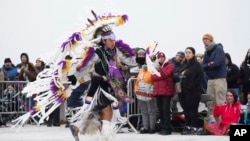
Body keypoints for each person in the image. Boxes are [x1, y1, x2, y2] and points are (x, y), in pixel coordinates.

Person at [69, 24, 137, 141]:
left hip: (109, 85)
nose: (113, 42)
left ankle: (78, 126)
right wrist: (75, 76)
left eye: (114, 40)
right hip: (99, 85)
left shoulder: (115, 51)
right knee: (107, 112)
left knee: (98, 112)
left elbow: (128, 60)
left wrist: (140, 59)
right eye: (110, 40)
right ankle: (104, 137)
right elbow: (87, 65)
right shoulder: (98, 53)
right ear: (104, 41)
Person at [178, 47, 204, 135]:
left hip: (193, 91)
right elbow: (179, 74)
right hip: (183, 91)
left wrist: (191, 85)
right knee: (186, 109)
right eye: (186, 52)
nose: (187, 54)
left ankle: (194, 127)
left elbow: (199, 78)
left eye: (189, 52)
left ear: (193, 54)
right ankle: (188, 126)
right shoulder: (184, 64)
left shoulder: (197, 65)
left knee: (193, 109)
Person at [202, 33, 227, 122]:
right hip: (210, 79)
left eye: (206, 39)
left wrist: (207, 65)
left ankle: (221, 122)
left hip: (219, 78)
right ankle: (211, 123)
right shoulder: (206, 52)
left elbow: (217, 63)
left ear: (211, 40)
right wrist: (209, 64)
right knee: (210, 102)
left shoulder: (219, 49)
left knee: (220, 100)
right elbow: (202, 66)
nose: (204, 41)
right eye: (203, 40)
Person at [151, 52, 174, 135]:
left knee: (165, 110)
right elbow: (152, 77)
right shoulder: (155, 66)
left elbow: (166, 75)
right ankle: (163, 127)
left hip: (166, 92)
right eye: (159, 57)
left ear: (165, 58)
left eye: (162, 57)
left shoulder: (170, 65)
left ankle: (167, 128)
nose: (161, 59)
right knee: (160, 110)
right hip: (158, 92)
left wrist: (159, 70)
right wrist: (159, 74)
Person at [134, 64, 157, 134]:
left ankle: (152, 127)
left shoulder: (153, 71)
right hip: (140, 93)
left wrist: (153, 92)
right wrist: (136, 90)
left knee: (151, 111)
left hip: (149, 93)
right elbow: (137, 82)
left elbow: (155, 82)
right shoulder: (141, 72)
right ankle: (146, 127)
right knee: (144, 111)